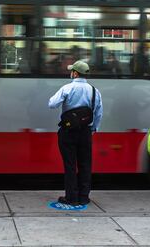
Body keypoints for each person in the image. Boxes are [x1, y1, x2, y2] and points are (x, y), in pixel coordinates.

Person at [48, 60, 103, 206]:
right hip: (85, 133)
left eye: (71, 70)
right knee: (85, 164)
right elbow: (98, 113)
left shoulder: (67, 88)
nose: (70, 73)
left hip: (68, 132)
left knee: (70, 165)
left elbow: (52, 104)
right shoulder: (94, 91)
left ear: (75, 73)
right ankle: (84, 196)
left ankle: (71, 197)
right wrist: (93, 129)